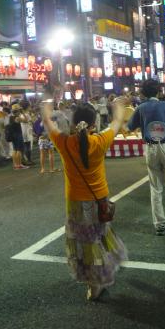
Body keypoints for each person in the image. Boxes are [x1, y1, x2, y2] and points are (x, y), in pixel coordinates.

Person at [43, 97, 128, 301]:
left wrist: (46, 108)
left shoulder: (65, 142)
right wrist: (118, 107)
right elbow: (117, 122)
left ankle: (94, 284)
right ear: (93, 124)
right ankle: (104, 272)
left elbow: (48, 123)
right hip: (100, 200)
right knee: (99, 237)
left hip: (75, 203)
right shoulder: (99, 141)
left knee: (86, 244)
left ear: (73, 123)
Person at [127, 79, 165, 235]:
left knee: (156, 187)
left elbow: (130, 126)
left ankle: (160, 224)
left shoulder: (141, 108)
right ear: (158, 91)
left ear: (144, 93)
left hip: (151, 148)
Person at [7, 104, 29, 170]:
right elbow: (26, 120)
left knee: (14, 150)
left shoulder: (10, 117)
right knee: (19, 150)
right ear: (17, 111)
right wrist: (23, 113)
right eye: (19, 110)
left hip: (13, 135)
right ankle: (19, 165)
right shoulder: (17, 118)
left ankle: (15, 165)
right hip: (18, 135)